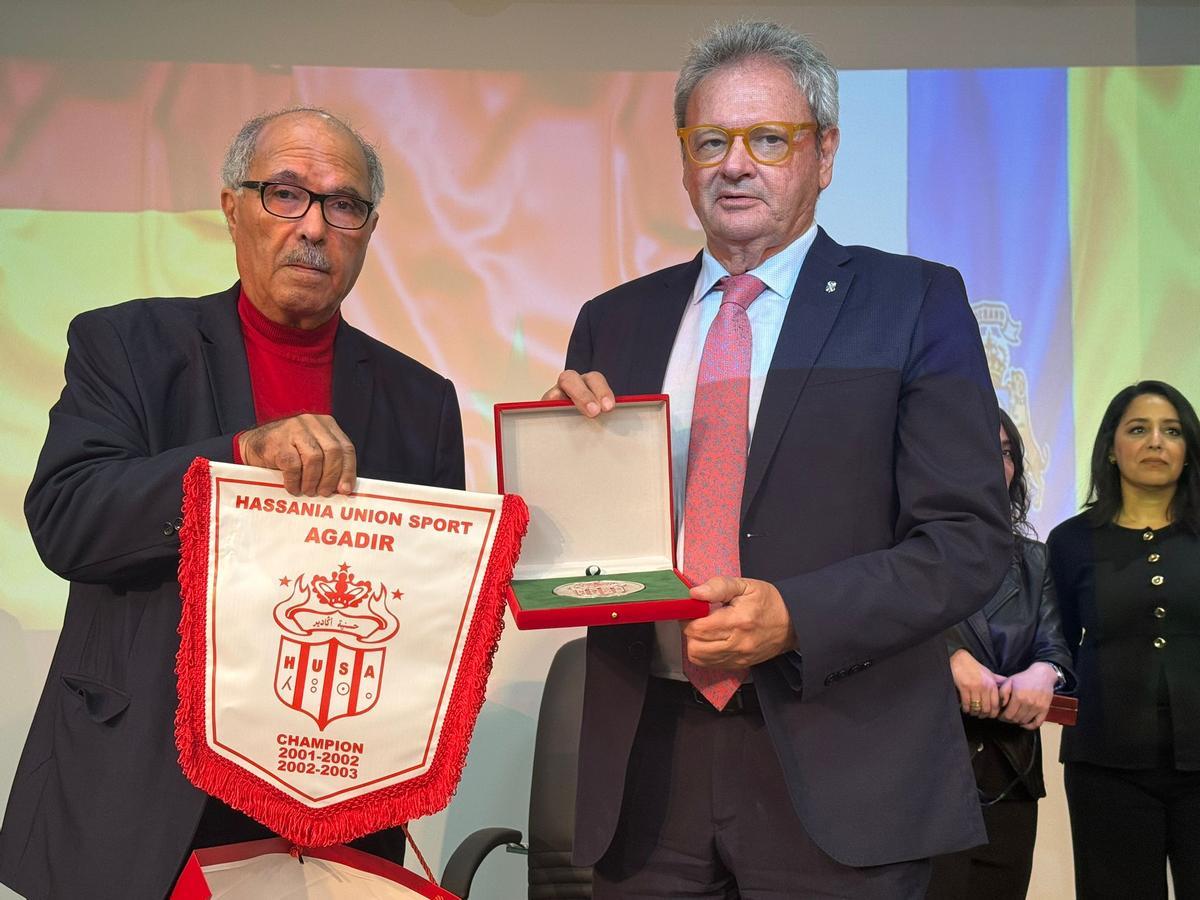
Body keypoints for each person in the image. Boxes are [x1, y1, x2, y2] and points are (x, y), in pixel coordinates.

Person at [544, 20, 1011, 898]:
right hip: (649, 766)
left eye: (769, 138)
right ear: (684, 159)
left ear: (823, 154)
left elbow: (966, 540)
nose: (735, 163)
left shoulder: (914, 302)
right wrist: (558, 469)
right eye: (710, 140)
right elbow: (584, 548)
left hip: (843, 760)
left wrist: (795, 614)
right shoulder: (617, 319)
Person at [0, 108, 465, 900]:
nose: (313, 227)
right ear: (232, 207)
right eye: (285, 194)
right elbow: (68, 519)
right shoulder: (129, 347)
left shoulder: (421, 400)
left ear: (369, 228)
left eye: (342, 205)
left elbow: (435, 609)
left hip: (328, 804)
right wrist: (240, 457)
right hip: (144, 786)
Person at [1048, 380, 1200, 899]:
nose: (1156, 442)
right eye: (1139, 429)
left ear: (1188, 450)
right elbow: (1057, 650)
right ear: (1112, 448)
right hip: (1105, 766)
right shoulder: (1069, 541)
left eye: (1172, 431)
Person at [926, 409, 1074, 899]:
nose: (995, 462)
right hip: (926, 773)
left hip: (1010, 773)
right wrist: (947, 659)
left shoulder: (1033, 559)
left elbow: (1054, 644)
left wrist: (1045, 671)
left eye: (1006, 451)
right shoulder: (903, 551)